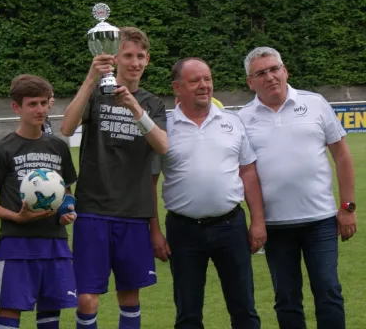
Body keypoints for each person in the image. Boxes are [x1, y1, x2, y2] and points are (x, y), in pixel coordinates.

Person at [238, 46, 357, 329]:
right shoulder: (242, 118)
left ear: (285, 70)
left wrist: (348, 207)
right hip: (275, 226)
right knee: (287, 299)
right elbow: (245, 173)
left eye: (274, 69)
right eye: (261, 73)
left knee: (328, 292)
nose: (270, 77)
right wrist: (256, 221)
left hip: (321, 221)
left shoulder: (315, 103)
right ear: (250, 82)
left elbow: (342, 155)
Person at [61, 27, 169, 329]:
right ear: (115, 59)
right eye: (127, 56)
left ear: (147, 60)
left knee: (130, 296)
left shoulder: (152, 103)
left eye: (139, 56)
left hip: (134, 212)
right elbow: (67, 128)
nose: (134, 62)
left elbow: (162, 146)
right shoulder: (96, 94)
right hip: (93, 209)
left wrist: (134, 107)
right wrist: (90, 79)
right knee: (87, 298)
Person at [153, 57, 265, 329]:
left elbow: (248, 172)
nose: (204, 86)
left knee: (244, 309)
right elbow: (148, 182)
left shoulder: (232, 121)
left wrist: (258, 222)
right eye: (195, 81)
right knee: (188, 314)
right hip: (183, 230)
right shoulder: (164, 128)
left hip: (231, 226)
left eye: (207, 79)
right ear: (177, 87)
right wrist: (154, 231)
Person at [0, 74, 78, 329]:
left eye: (44, 103)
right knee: (9, 316)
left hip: (54, 244)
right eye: (32, 104)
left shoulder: (58, 147)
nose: (40, 110)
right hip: (16, 245)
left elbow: (66, 194)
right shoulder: (3, 149)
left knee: (50, 318)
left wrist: (68, 212)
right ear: (16, 107)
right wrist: (17, 217)